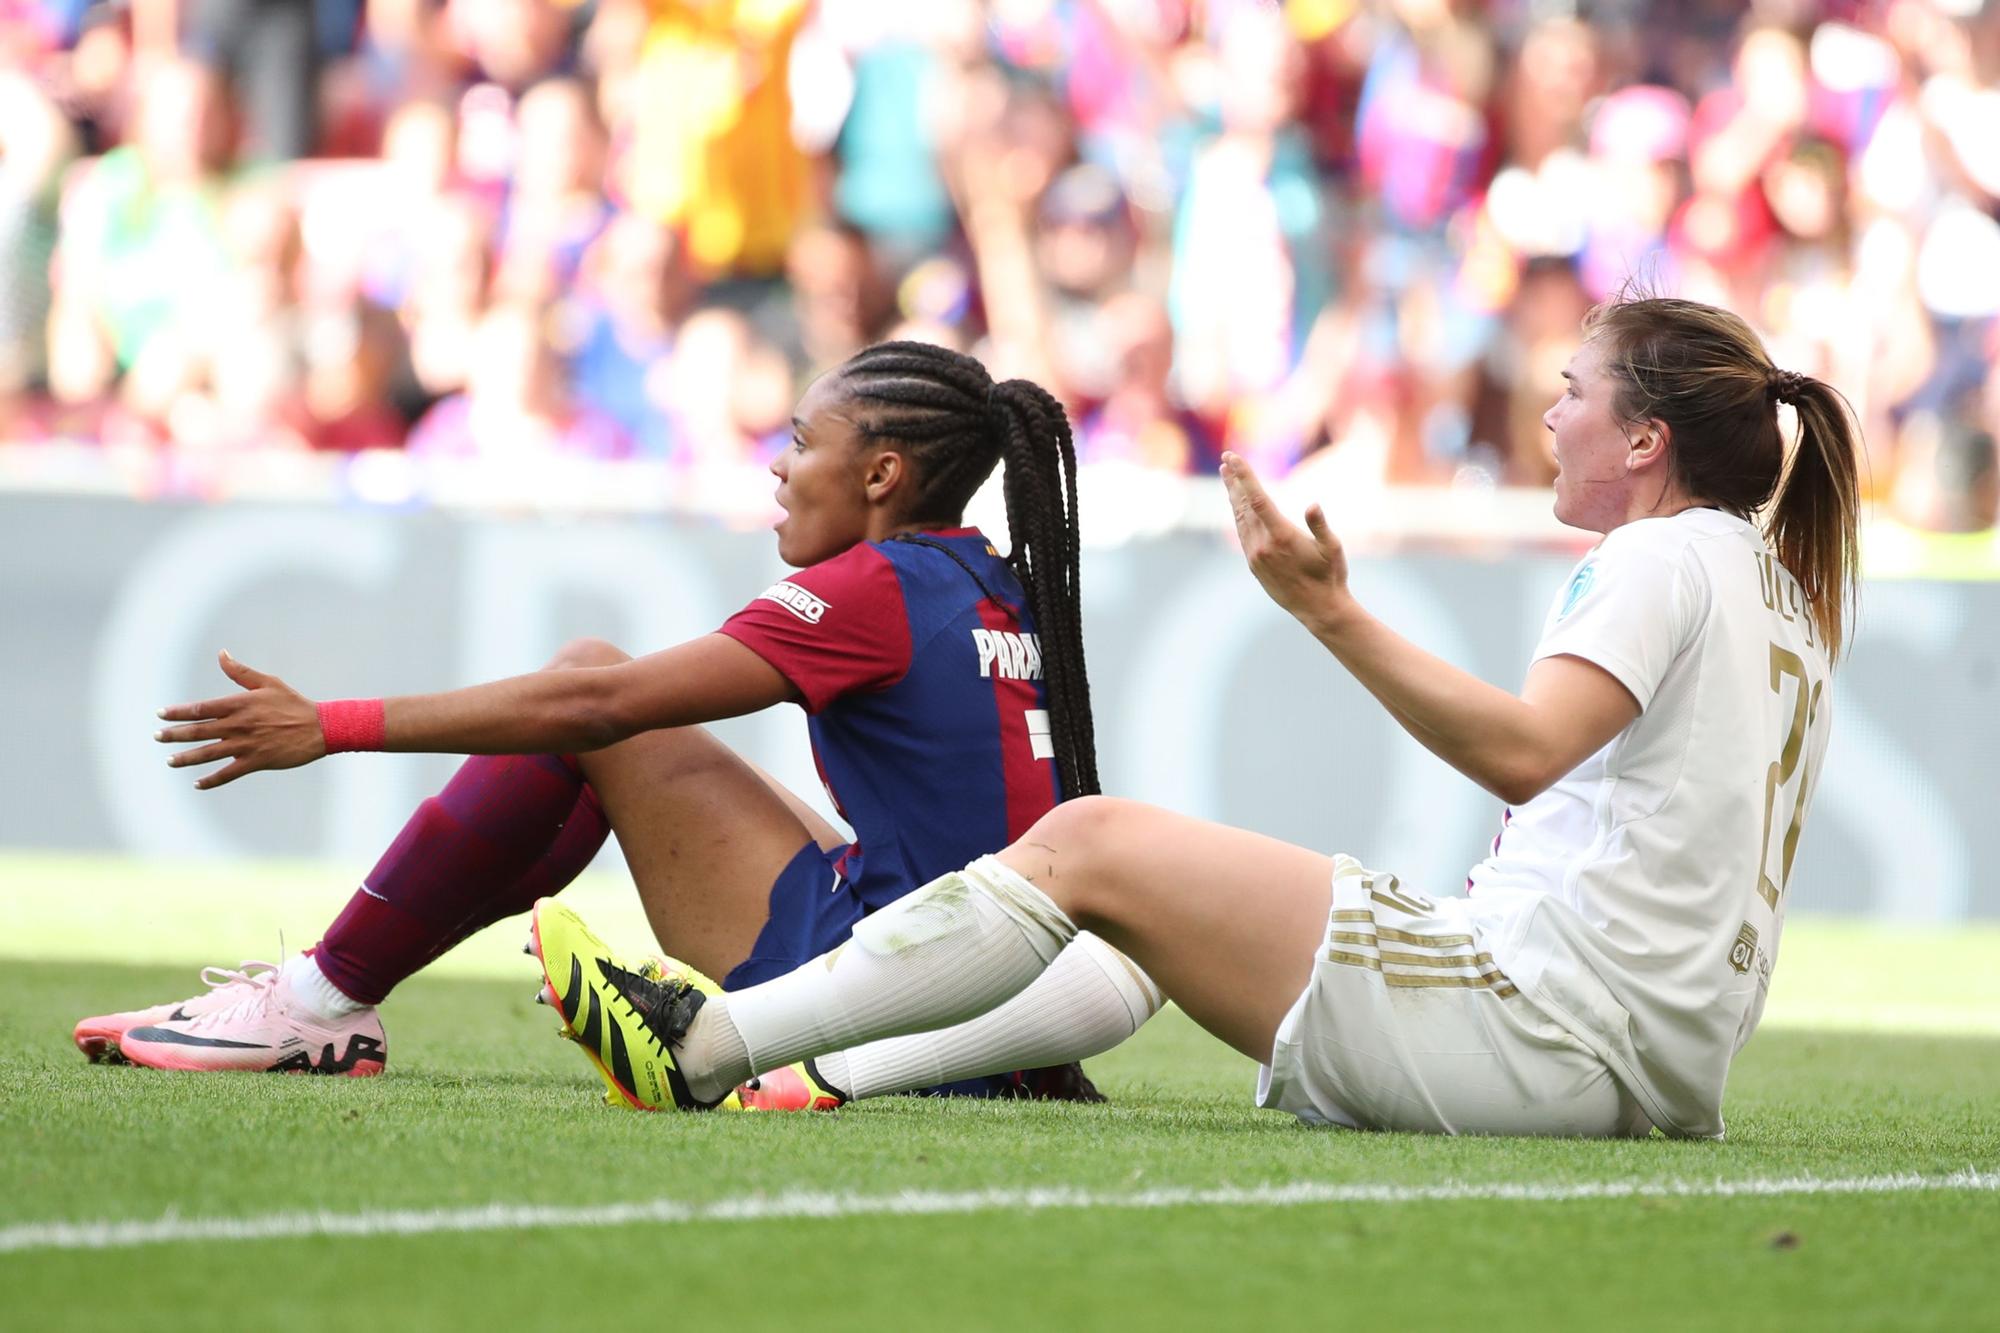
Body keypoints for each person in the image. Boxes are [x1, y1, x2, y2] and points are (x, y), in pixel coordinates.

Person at [532, 295, 1861, 1137]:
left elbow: (1524, 747)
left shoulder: (1657, 556)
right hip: (1642, 1060)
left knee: (1095, 848)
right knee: (1114, 917)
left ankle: (710, 1042)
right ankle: (831, 1069)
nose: (1552, 410)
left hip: (1543, 1031)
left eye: (1578, 390)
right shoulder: (1774, 589)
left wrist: (1327, 611)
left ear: (1647, 442)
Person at [80, 341, 1163, 1109]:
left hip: (887, 988)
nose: (779, 467)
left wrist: (332, 722)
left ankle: (315, 1003)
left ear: (880, 474)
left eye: (801, 442)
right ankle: (325, 998)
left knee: (592, 688)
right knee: (624, 744)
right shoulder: (993, 580)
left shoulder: (872, 585)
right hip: (1000, 997)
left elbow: (599, 705)